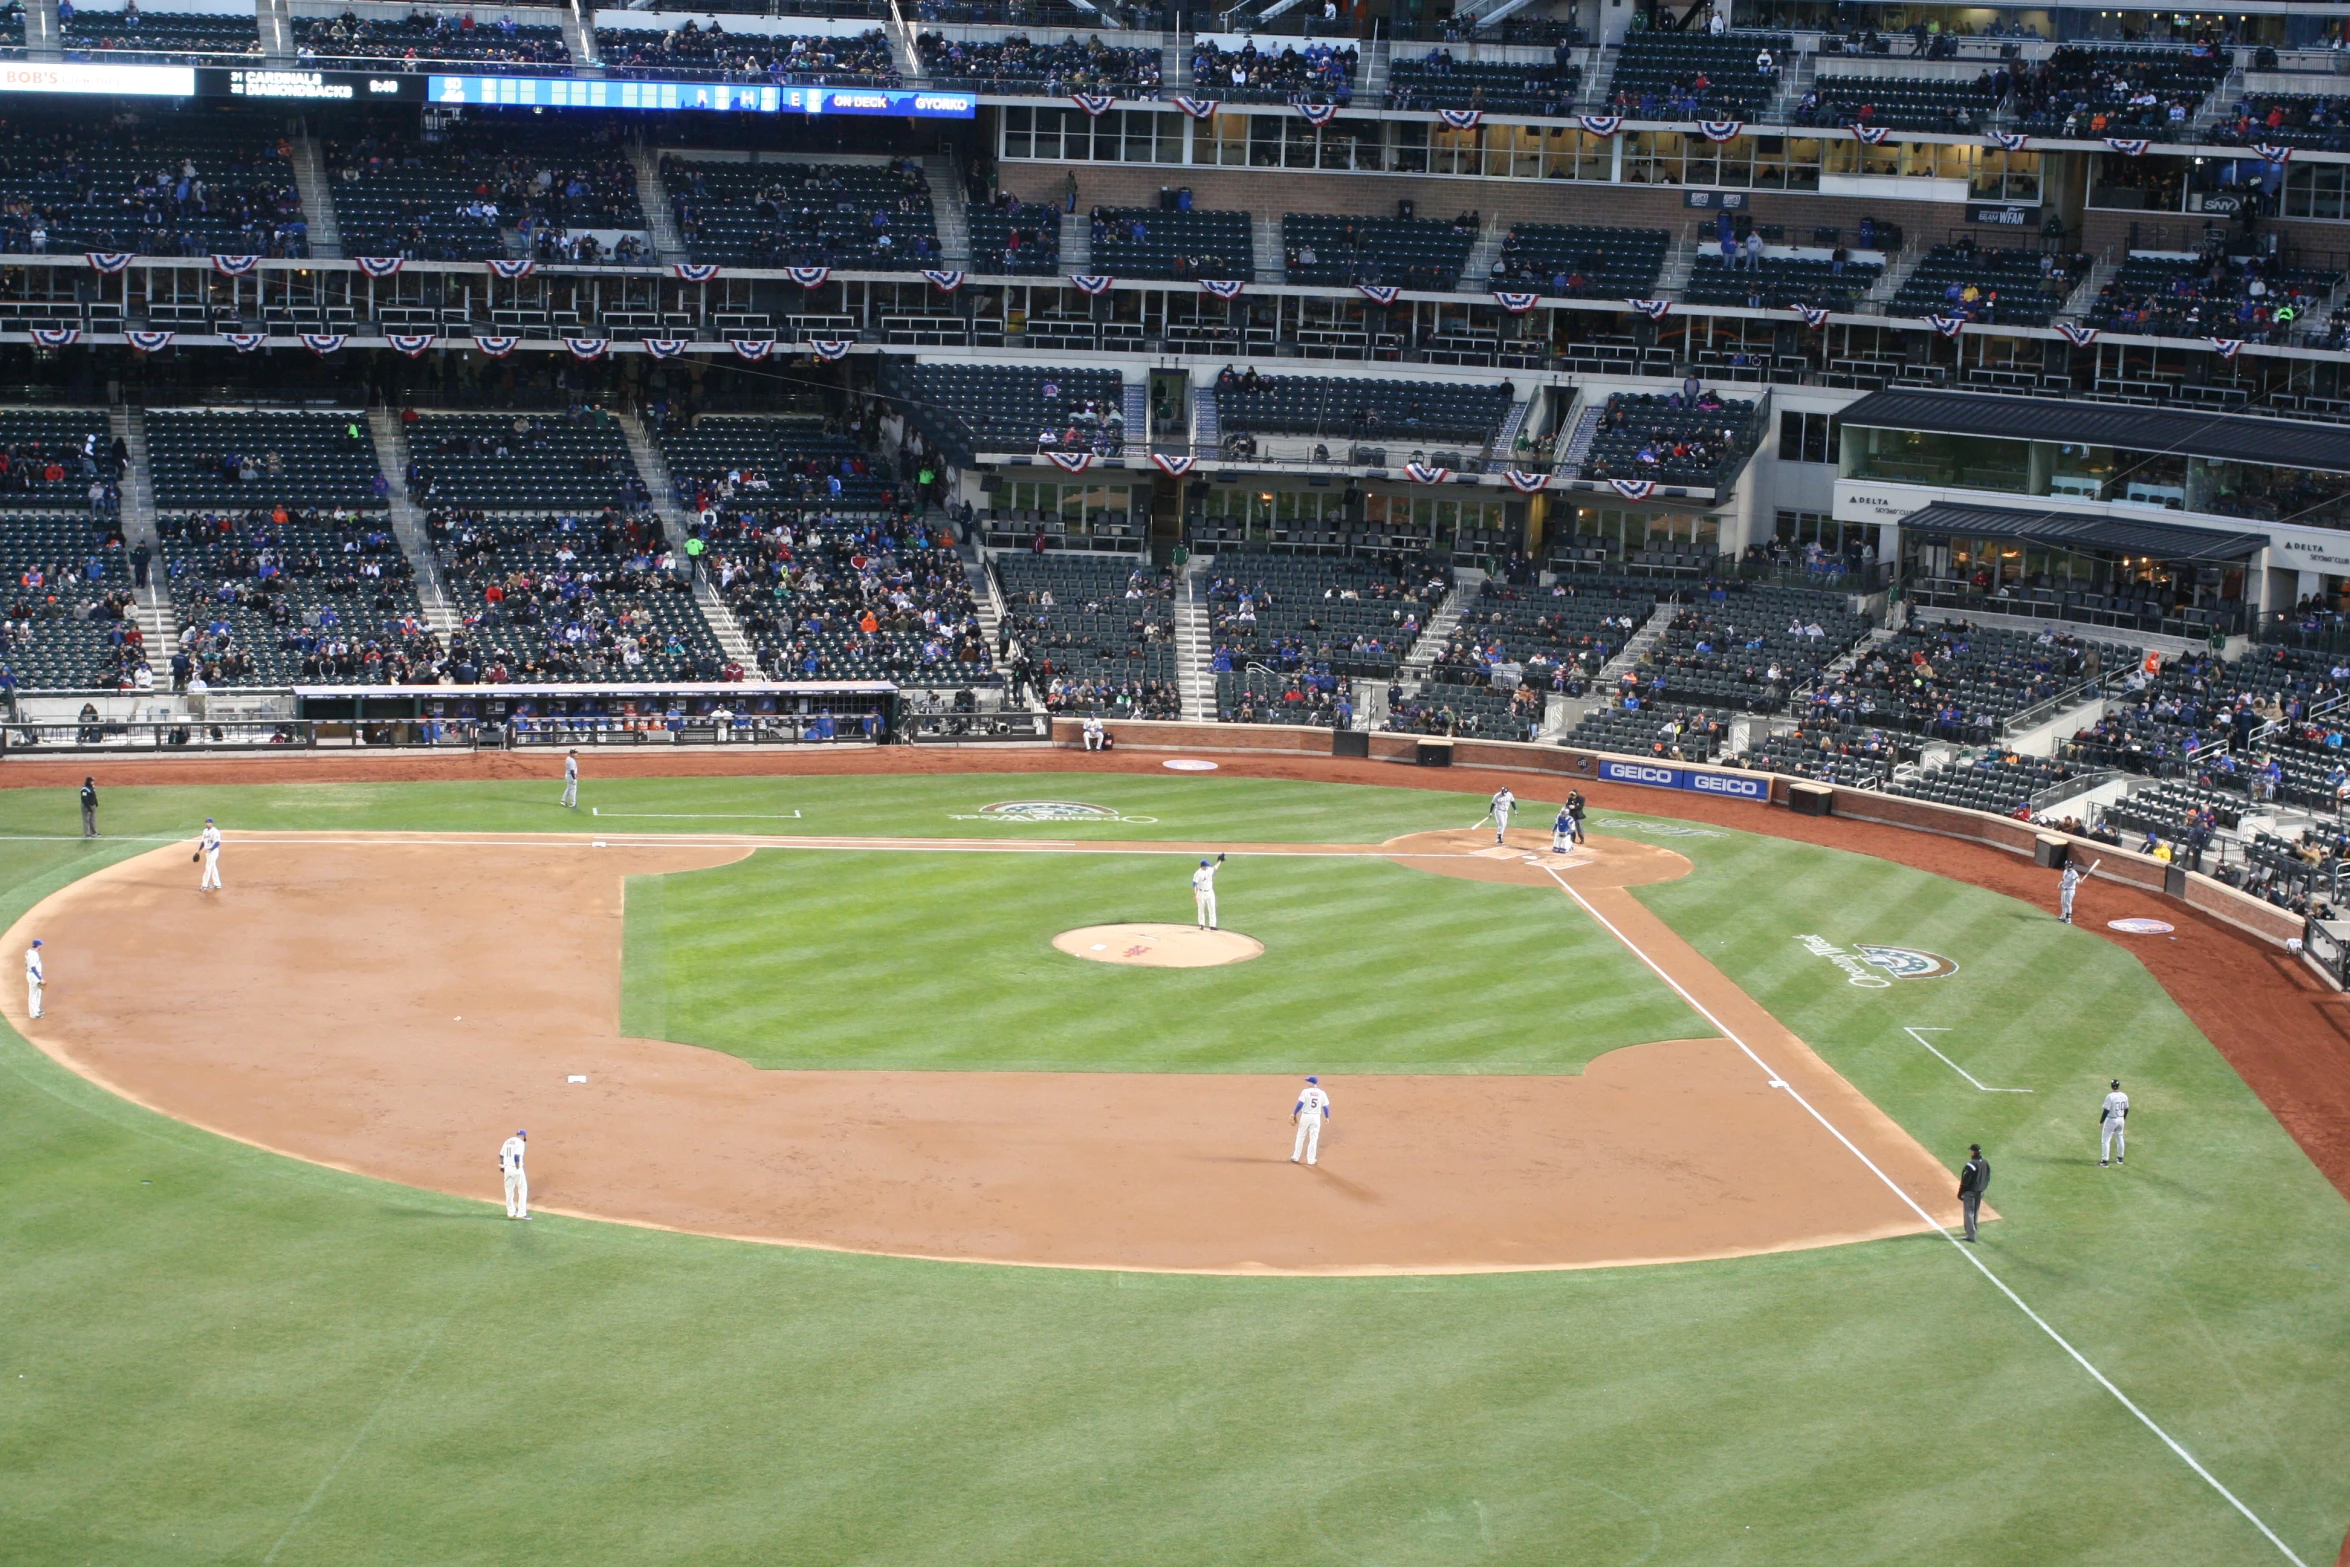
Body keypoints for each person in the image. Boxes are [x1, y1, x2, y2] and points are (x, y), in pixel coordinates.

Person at [1291, 1075, 1331, 1165]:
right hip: (1316, 1117)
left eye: (1307, 1081)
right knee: (1314, 1138)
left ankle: (1296, 1157)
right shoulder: (1322, 1093)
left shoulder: (1305, 1092)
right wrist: (1327, 1117)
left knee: (1300, 1136)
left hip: (1305, 1116)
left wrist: (1294, 1113)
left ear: (1311, 1083)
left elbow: (1300, 1104)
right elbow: (1326, 1107)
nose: (1306, 1082)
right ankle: (1311, 1160)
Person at [1957, 1143, 1991, 1241]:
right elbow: (1988, 1176)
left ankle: (1971, 1235)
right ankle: (1974, 1228)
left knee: (1969, 1212)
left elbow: (1965, 1180)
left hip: (1970, 1192)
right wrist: (1983, 1187)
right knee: (1976, 1210)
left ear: (1973, 1152)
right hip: (1980, 1191)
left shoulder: (1971, 1165)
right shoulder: (1985, 1162)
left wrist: (1960, 1192)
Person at [500, 1128, 531, 1219]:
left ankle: (510, 1212)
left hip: (507, 1169)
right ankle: (521, 1213)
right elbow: (517, 1156)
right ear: (524, 1136)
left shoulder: (508, 1141)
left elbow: (501, 1155)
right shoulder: (520, 1142)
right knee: (522, 1190)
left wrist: (502, 1165)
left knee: (509, 1190)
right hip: (515, 1169)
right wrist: (517, 1167)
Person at [2099, 1078, 2130, 1165]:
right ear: (2118, 1086)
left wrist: (2101, 1122)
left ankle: (2104, 1161)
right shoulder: (2124, 1095)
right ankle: (2120, 1158)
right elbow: (2126, 1109)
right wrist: (2123, 1118)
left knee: (2105, 1140)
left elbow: (2106, 1110)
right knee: (2119, 1137)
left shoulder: (2110, 1096)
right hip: (2121, 1119)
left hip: (2111, 1119)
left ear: (2111, 1086)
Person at [2058, 855, 2093, 924]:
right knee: (2063, 903)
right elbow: (2063, 879)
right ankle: (2063, 916)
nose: (2065, 866)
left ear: (2070, 866)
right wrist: (2060, 883)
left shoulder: (2073, 873)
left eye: (2066, 865)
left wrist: (2079, 881)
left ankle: (2068, 919)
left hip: (2070, 891)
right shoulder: (2065, 871)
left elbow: (2076, 878)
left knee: (2068, 904)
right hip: (2064, 889)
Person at [1193, 853, 1223, 931]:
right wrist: (1195, 895)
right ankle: (1201, 924)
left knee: (1212, 908)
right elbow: (1194, 885)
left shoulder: (1210, 869)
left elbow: (1215, 867)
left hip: (1210, 892)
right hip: (1201, 892)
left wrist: (1220, 861)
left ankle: (1212, 925)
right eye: (1206, 865)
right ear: (1202, 866)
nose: (1207, 866)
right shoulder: (1197, 873)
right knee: (1201, 909)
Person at [197, 818, 222, 891]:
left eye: (208, 822)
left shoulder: (215, 831)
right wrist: (198, 851)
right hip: (207, 852)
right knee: (213, 867)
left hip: (213, 852)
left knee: (208, 867)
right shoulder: (205, 831)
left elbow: (217, 843)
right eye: (206, 822)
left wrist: (210, 849)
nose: (207, 824)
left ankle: (204, 885)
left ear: (211, 823)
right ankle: (217, 884)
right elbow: (203, 842)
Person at [24, 938, 43, 1020]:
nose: (41, 946)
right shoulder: (33, 954)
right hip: (34, 975)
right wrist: (40, 978)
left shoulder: (29, 951)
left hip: (34, 974)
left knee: (38, 992)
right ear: (38, 945)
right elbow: (33, 967)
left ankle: (37, 1010)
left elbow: (26, 963)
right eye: (41, 944)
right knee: (33, 994)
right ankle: (33, 1014)